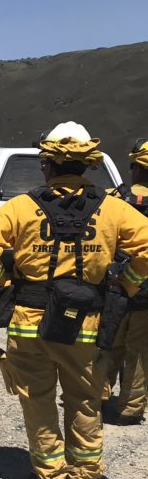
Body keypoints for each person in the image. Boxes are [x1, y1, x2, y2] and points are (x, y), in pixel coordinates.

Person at [0, 122, 148, 479]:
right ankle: (85, 473)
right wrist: (129, 281)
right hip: (85, 324)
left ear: (47, 165)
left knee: (37, 398)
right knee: (84, 397)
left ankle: (49, 474)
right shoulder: (114, 210)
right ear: (87, 167)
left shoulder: (21, 207)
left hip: (28, 322)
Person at [103, 138, 148, 425]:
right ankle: (130, 407)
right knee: (140, 351)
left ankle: (96, 394)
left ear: (135, 168)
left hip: (116, 284)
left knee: (106, 343)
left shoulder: (113, 199)